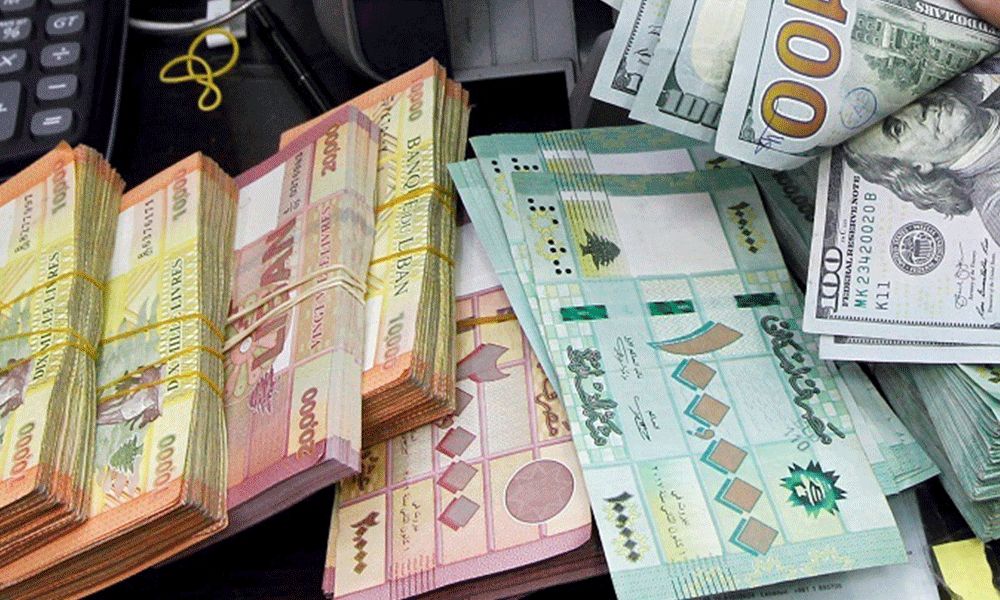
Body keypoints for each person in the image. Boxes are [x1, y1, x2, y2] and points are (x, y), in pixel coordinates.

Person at [843, 57, 1000, 245]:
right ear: (917, 167)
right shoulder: (996, 206)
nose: (917, 108)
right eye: (898, 129)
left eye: (905, 100)